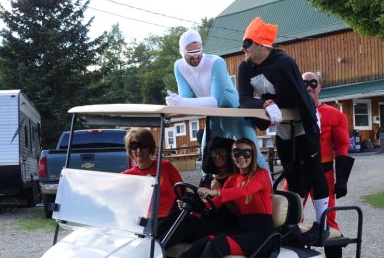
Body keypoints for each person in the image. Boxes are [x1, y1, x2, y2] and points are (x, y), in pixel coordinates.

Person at [238, 16, 330, 245]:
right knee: (291, 173)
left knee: (314, 169)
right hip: (281, 122)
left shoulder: (284, 63)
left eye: (248, 43)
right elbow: (244, 99)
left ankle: (322, 224)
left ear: (261, 44)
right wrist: (265, 105)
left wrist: (311, 130)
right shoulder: (245, 67)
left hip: (302, 119)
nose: (244, 49)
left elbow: (301, 97)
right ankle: (294, 222)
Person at [169, 138, 273, 258]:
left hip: (260, 234)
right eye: (236, 152)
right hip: (243, 228)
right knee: (199, 244)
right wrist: (192, 205)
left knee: (215, 246)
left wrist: (217, 192)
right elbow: (214, 205)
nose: (241, 157)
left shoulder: (261, 175)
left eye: (246, 153)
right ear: (232, 155)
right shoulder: (232, 179)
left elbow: (245, 191)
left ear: (253, 155)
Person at [166, 28, 269, 170]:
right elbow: (186, 98)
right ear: (181, 52)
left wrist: (181, 102)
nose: (195, 57)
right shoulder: (179, 66)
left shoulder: (216, 62)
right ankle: (209, 190)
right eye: (190, 54)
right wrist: (175, 102)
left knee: (254, 156)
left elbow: (216, 101)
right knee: (207, 155)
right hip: (214, 116)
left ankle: (269, 191)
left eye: (198, 52)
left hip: (236, 113)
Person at [302, 72, 354, 258]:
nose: (308, 87)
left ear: (320, 86)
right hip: (300, 171)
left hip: (324, 171)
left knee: (328, 219)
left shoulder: (334, 115)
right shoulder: (293, 112)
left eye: (312, 83)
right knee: (287, 214)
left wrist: (342, 179)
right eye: (304, 83)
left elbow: (342, 145)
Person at [122, 127, 182, 220]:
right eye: (134, 146)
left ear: (150, 147)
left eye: (143, 145)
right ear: (130, 149)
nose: (138, 150)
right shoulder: (128, 176)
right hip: (145, 221)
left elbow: (182, 191)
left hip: (171, 218)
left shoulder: (165, 166)